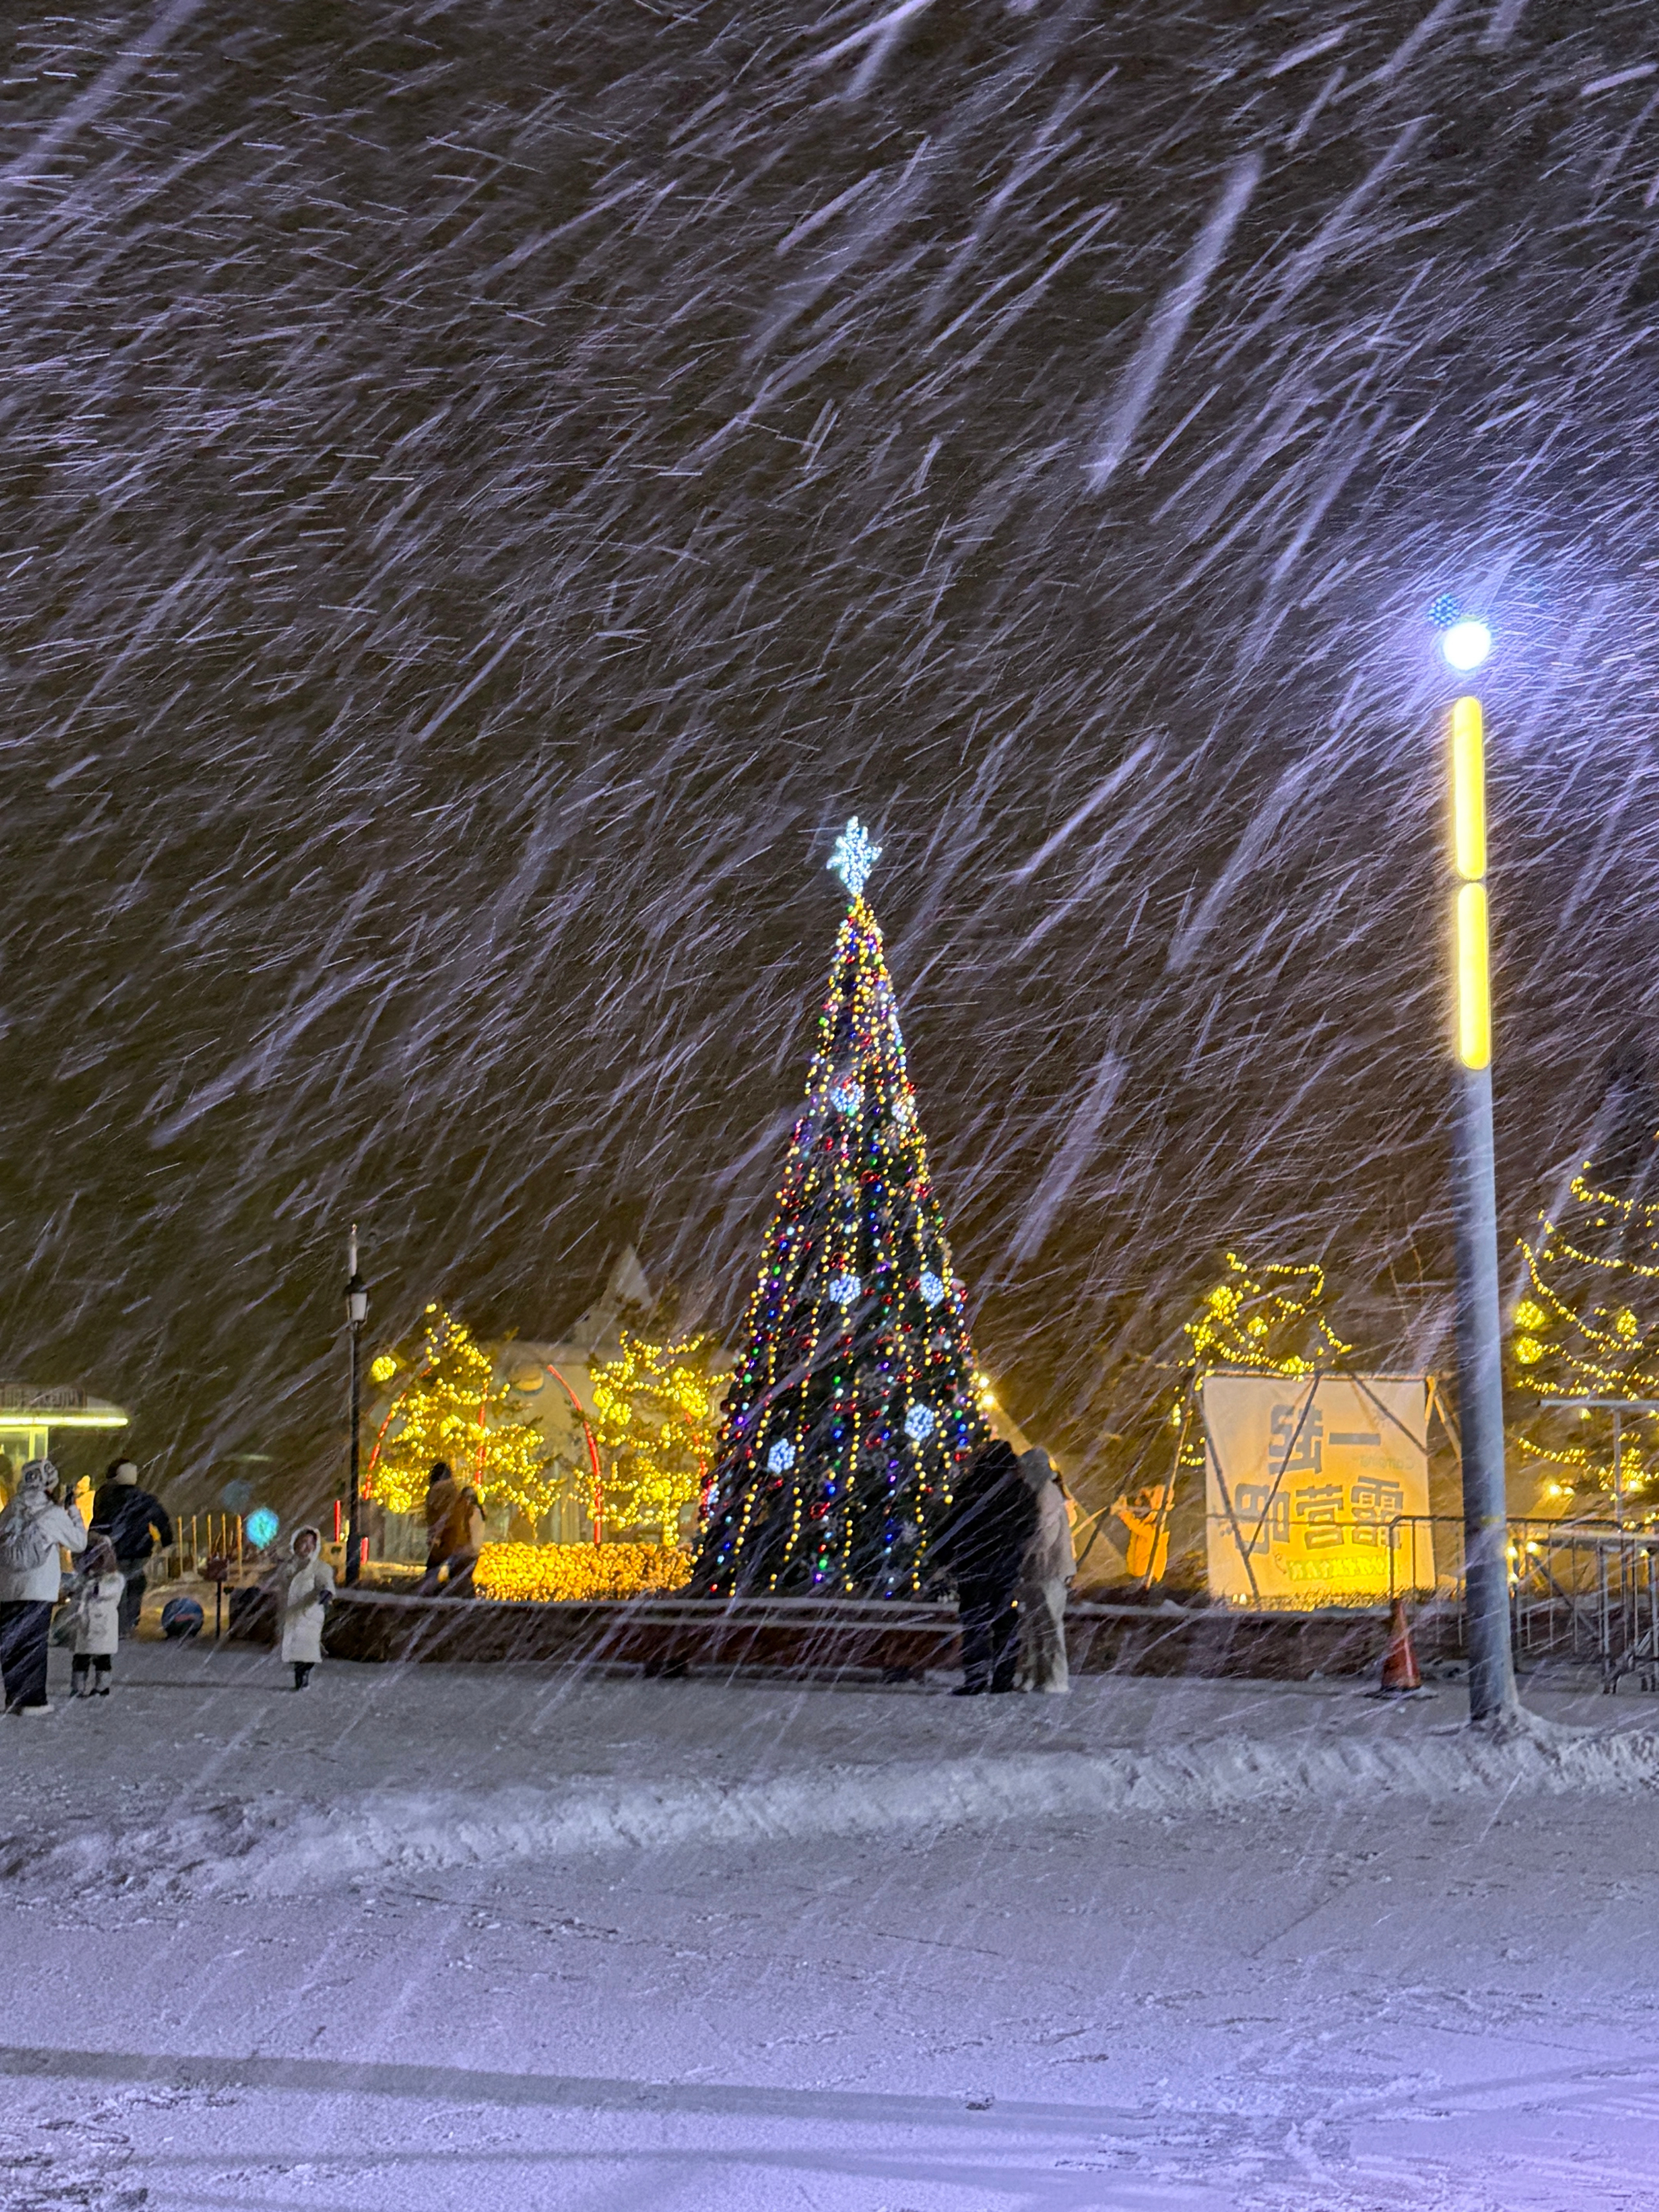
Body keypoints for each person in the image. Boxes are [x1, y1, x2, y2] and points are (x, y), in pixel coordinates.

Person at [928, 1438, 1039, 1696]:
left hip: (974, 1563)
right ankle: (1003, 1678)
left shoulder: (972, 1487)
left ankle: (976, 1678)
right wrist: (1010, 1544)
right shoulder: (1019, 1491)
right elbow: (1029, 1526)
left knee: (976, 1622)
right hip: (1004, 1564)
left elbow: (955, 1523)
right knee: (1004, 1621)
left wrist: (946, 1556)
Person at [0, 1459, 88, 1715]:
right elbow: (79, 1543)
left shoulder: (11, 1510)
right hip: (38, 1590)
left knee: (12, 1645)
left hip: (6, 1589)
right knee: (33, 1646)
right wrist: (73, 1512)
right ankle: (33, 1702)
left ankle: (15, 1698)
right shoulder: (52, 1514)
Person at [89, 1458, 173, 1638]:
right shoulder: (143, 1498)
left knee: (118, 1586)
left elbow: (99, 1521)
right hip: (140, 1550)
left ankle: (118, 1625)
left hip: (115, 1550)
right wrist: (167, 1540)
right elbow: (161, 1518)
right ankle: (130, 1622)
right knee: (136, 1584)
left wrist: (94, 1541)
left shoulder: (106, 1497)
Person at [1015, 1449, 1076, 1696]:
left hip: (1048, 1570)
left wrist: (1021, 1547)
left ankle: (1055, 1678)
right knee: (1038, 1627)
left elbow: (1045, 1535)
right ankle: (1041, 1676)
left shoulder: (1046, 1494)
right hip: (1039, 1571)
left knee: (1049, 1627)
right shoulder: (1039, 1492)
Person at [271, 1525, 333, 1690]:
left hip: (309, 1613)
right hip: (290, 1613)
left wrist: (326, 1594)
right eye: (304, 1542)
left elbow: (326, 1583)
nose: (307, 1547)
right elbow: (278, 1584)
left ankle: (304, 1672)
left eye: (311, 1543)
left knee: (309, 1649)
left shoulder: (320, 1568)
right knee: (296, 1649)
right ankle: (300, 1675)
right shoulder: (287, 1567)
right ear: (296, 1543)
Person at [66, 1535, 125, 1698]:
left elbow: (105, 1590)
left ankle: (102, 1686)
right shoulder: (84, 1578)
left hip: (103, 1625)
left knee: (102, 1658)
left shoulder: (114, 1579)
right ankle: (78, 1687)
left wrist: (92, 1589)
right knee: (80, 1658)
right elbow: (76, 1590)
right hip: (84, 1623)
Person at [421, 1460, 485, 1597]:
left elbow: (439, 1520)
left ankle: (432, 1602)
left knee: (434, 1574)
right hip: (460, 1545)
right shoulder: (455, 1494)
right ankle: (464, 1605)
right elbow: (454, 1520)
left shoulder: (436, 1494)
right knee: (460, 1579)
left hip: (447, 1544)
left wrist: (435, 1537)